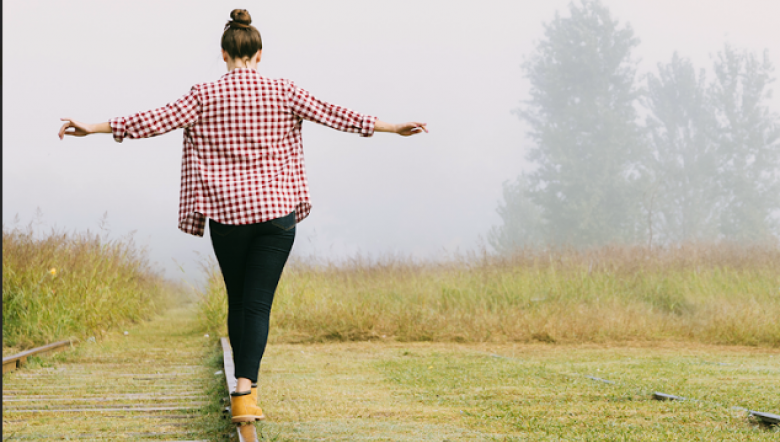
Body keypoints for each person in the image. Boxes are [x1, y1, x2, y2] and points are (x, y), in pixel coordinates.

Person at [58, 8, 427, 423]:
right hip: (275, 215)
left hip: (226, 217)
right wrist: (392, 127)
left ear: (223, 54)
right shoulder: (284, 91)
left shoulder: (202, 95)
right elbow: (336, 114)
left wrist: (93, 127)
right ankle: (244, 391)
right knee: (257, 305)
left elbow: (151, 121)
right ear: (259, 54)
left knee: (238, 299)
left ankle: (243, 388)